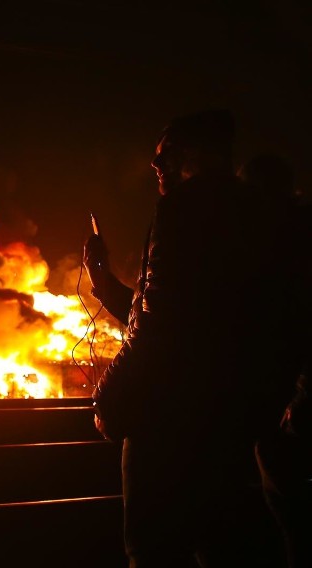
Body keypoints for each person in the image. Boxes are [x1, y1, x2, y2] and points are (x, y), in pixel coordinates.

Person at [82, 109, 302, 567]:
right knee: (218, 544)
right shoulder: (256, 212)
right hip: (227, 418)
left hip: (168, 418)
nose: (156, 167)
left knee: (153, 548)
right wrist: (104, 282)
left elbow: (160, 323)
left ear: (196, 156)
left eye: (166, 156)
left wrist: (109, 395)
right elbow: (183, 312)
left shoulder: (185, 208)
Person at [239, 153, 312, 568]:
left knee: (294, 522)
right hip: (279, 414)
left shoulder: (291, 245)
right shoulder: (276, 242)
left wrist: (299, 406)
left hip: (291, 420)